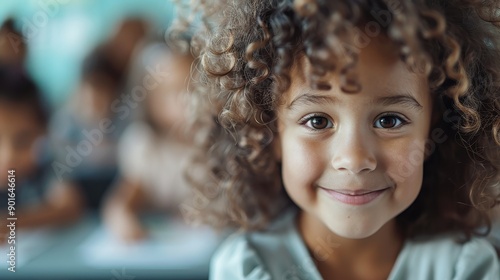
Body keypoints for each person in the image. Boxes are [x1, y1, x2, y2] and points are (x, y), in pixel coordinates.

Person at [184, 0, 500, 279]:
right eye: (317, 121)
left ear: (432, 130)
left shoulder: (465, 267)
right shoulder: (247, 267)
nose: (354, 158)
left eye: (389, 120)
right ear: (270, 134)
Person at [102, 42, 195, 242]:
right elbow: (122, 201)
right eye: (175, 92)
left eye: (196, 88)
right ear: (150, 100)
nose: (190, 102)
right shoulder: (144, 146)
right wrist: (121, 217)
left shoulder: (222, 144)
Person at [0, 64, 84, 243]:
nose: (8, 156)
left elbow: (69, 207)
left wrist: (10, 224)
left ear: (43, 132)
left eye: (22, 141)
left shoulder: (46, 165)